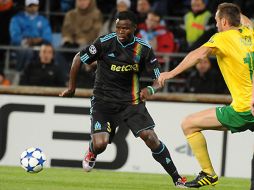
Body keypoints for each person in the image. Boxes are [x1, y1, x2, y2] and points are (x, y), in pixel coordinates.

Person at [59, 10, 186, 188]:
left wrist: (151, 88)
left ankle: (177, 178)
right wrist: (71, 88)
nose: (120, 31)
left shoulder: (144, 49)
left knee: (150, 138)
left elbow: (160, 78)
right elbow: (78, 58)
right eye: (118, 27)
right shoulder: (104, 42)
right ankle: (92, 151)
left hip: (131, 102)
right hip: (103, 101)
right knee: (101, 144)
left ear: (134, 28)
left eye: (125, 28)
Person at [158, 3, 254, 188]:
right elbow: (246, 21)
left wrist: (170, 73)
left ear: (224, 21)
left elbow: (198, 54)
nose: (216, 24)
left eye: (217, 20)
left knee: (189, 124)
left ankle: (208, 173)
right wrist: (231, 10)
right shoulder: (249, 34)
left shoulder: (222, 37)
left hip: (243, 109)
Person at [9, 0, 52, 71]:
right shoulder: (16, 19)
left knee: (49, 52)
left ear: (38, 6)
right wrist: (25, 41)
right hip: (21, 45)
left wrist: (39, 40)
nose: (32, 8)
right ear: (25, 7)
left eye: (34, 5)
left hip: (40, 45)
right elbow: (15, 36)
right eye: (30, 5)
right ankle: (21, 73)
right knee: (27, 51)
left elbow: (48, 37)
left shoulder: (43, 20)